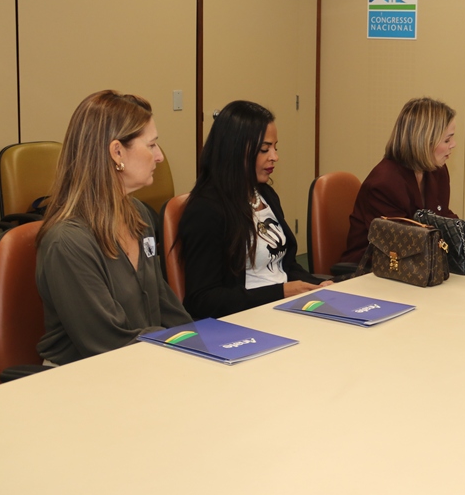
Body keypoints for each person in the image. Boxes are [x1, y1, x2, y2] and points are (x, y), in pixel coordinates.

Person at [35, 90, 192, 365]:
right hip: (84, 376)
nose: (159, 157)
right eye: (152, 145)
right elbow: (106, 342)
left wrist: (201, 340)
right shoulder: (67, 241)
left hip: (145, 360)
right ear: (117, 152)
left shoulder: (138, 215)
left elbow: (163, 303)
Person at [178, 100, 329, 319]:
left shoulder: (266, 195)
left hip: (284, 308)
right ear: (235, 150)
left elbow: (286, 265)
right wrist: (280, 293)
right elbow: (203, 300)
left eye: (275, 147)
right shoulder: (206, 210)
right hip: (246, 319)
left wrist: (317, 285)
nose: (274, 157)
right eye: (264, 149)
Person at [342, 97, 465, 264]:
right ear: (423, 141)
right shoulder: (384, 183)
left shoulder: (435, 170)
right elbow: (406, 241)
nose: (453, 145)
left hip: (417, 267)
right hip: (371, 271)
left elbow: (443, 220)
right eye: (447, 140)